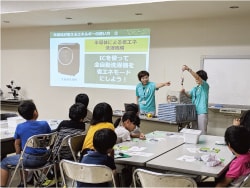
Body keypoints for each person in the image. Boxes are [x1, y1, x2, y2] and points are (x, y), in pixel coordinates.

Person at [0, 101, 51, 187]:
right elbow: (49, 140)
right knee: (23, 158)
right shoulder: (44, 124)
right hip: (45, 158)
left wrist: (18, 155)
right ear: (35, 112)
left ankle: (5, 186)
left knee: (4, 162)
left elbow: (17, 144)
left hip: (28, 160)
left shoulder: (20, 127)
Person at [181, 65, 209, 135]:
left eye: (198, 77)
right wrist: (184, 92)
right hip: (194, 112)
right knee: (194, 132)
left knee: (202, 132)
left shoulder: (205, 86)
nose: (196, 79)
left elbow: (197, 77)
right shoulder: (195, 88)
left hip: (202, 112)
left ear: (202, 79)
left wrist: (188, 69)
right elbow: (190, 96)